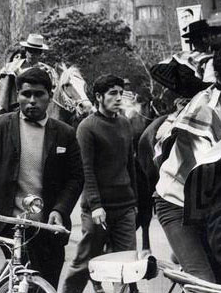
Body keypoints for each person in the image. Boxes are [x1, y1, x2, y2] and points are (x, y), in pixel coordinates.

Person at [153, 40, 221, 283]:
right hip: (178, 202)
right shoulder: (202, 113)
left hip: (219, 198)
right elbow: (214, 194)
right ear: (219, 79)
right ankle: (186, 254)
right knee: (205, 282)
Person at [0, 67, 83, 289]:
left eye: (39, 94)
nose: (32, 101)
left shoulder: (65, 133)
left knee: (47, 283)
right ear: (17, 95)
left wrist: (60, 209)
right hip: (11, 223)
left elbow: (76, 177)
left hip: (49, 224)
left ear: (49, 96)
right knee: (25, 280)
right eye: (25, 94)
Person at [61, 75, 138, 293]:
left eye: (120, 93)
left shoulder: (124, 123)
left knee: (128, 266)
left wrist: (135, 201)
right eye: (112, 93)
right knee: (85, 263)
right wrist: (95, 205)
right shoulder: (87, 127)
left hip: (124, 207)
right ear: (98, 97)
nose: (118, 98)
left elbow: (129, 165)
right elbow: (87, 170)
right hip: (98, 211)